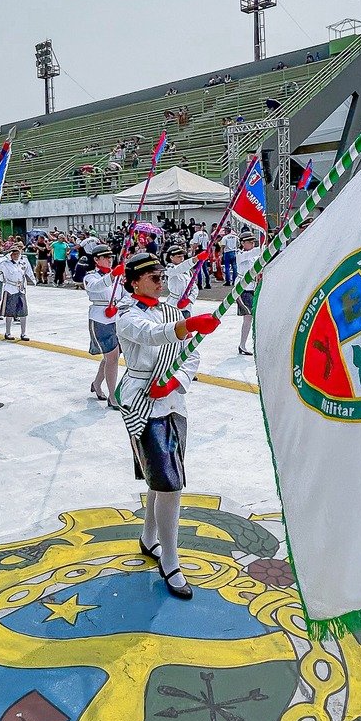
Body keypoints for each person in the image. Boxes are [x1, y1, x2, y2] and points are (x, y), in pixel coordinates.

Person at [115, 252, 222, 600]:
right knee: (170, 483)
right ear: (135, 282)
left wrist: (175, 380)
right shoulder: (127, 316)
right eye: (154, 277)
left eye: (163, 275)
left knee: (163, 478)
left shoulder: (173, 312)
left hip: (173, 400)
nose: (162, 282)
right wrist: (188, 325)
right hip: (142, 401)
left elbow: (191, 353)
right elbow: (151, 336)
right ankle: (170, 561)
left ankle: (149, 539)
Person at [84, 244, 126, 405]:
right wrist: (112, 276)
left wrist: (121, 305)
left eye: (110, 257)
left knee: (111, 357)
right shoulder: (91, 276)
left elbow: (124, 295)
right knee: (112, 357)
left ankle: (96, 384)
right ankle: (113, 396)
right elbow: (96, 287)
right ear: (96, 259)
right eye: (105, 257)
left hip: (116, 318)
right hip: (100, 319)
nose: (109, 260)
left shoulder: (116, 277)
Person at [234, 230, 262, 355]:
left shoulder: (254, 255)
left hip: (254, 288)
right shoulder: (239, 254)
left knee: (252, 318)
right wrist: (264, 246)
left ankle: (244, 345)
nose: (252, 244)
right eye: (249, 242)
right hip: (243, 289)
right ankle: (243, 345)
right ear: (242, 243)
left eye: (253, 242)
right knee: (248, 318)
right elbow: (251, 254)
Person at [0, 246, 35, 340]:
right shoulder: (5, 263)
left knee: (23, 312)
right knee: (9, 312)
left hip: (20, 289)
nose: (16, 255)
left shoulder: (22, 262)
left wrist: (33, 280)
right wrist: (6, 255)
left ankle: (23, 333)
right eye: (14, 254)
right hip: (10, 289)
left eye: (17, 253)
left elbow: (28, 270)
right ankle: (8, 333)